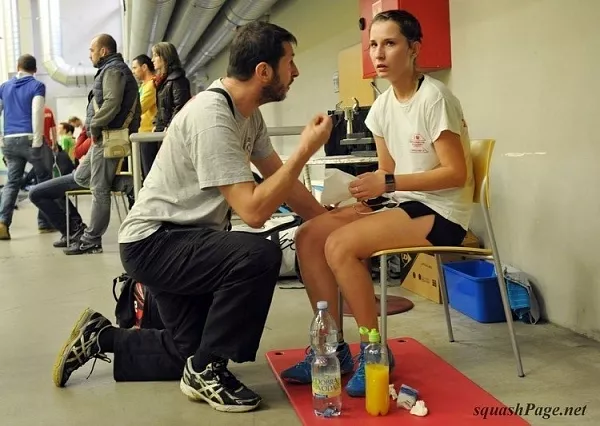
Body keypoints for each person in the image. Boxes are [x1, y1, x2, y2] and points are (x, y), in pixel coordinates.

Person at [52, 21, 333, 413]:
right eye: (291, 61)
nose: (296, 72)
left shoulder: (247, 115)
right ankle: (207, 372)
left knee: (184, 350)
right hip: (155, 242)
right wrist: (304, 150)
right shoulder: (212, 115)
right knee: (258, 255)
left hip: (182, 241)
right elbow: (253, 211)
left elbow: (279, 179)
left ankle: (102, 337)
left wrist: (328, 220)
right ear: (263, 71)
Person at [280, 9, 474, 397]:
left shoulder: (435, 98)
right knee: (309, 234)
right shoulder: (383, 105)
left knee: (341, 245)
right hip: (402, 202)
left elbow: (456, 174)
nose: (379, 53)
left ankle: (374, 351)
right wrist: (363, 194)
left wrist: (387, 181)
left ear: (414, 49)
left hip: (441, 211)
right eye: (373, 44)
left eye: (390, 43)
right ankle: (331, 347)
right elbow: (388, 171)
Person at [29, 34, 139, 252]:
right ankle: (79, 228)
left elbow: (112, 103)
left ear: (103, 51)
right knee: (80, 178)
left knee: (99, 188)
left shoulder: (114, 70)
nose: (89, 54)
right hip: (101, 141)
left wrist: (95, 126)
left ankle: (91, 240)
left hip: (107, 139)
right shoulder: (110, 69)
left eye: (92, 50)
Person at [0, 54, 52, 240]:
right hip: (29, 138)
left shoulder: (4, 87)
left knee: (12, 183)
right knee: (44, 179)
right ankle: (44, 222)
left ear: (17, 66)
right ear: (35, 70)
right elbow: (37, 111)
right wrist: (37, 142)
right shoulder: (37, 85)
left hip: (9, 139)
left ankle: (3, 223)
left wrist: (2, 139)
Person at [130, 54, 157, 178]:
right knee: (145, 173)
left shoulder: (152, 85)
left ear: (144, 67)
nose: (133, 71)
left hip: (149, 135)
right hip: (143, 134)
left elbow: (140, 108)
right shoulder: (143, 86)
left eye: (135, 68)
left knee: (150, 174)